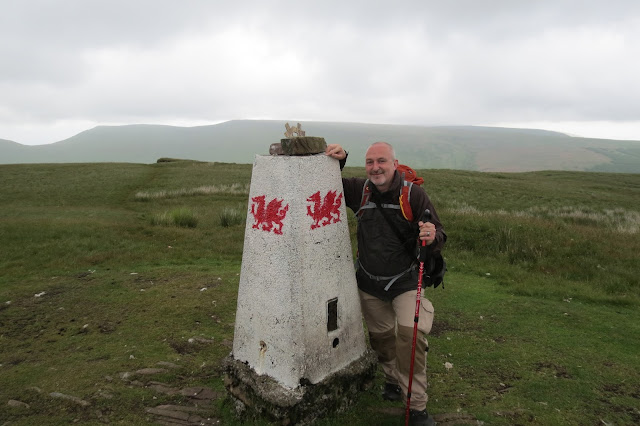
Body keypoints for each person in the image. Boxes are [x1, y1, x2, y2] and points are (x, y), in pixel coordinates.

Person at [326, 142, 446, 426]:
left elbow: (439, 231)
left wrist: (432, 235)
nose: (376, 167)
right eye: (370, 162)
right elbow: (332, 184)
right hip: (370, 283)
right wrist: (341, 161)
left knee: (410, 336)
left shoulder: (413, 195)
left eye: (382, 161)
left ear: (394, 163)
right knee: (381, 339)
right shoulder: (361, 190)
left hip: (405, 282)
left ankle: (416, 406)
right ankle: (392, 381)